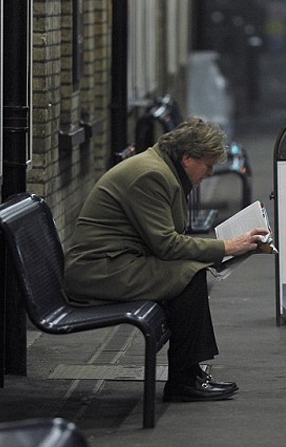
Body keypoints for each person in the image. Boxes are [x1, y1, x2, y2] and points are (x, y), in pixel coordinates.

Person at [63, 117, 268, 402]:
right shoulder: (152, 175)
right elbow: (167, 244)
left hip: (121, 261)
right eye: (207, 165)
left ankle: (190, 375)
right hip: (100, 269)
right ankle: (184, 380)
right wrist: (227, 247)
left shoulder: (163, 169)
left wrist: (225, 250)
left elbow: (166, 240)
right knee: (189, 275)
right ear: (187, 158)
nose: (210, 173)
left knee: (191, 272)